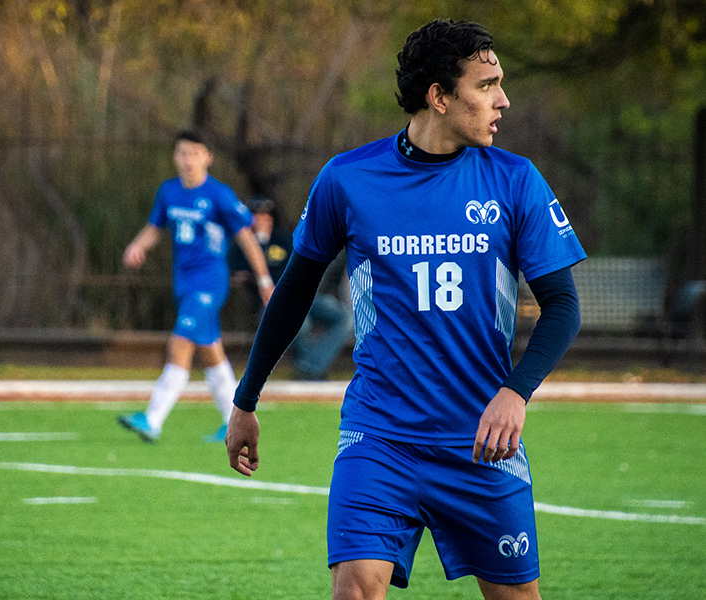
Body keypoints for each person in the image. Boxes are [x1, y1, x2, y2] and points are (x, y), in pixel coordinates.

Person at [225, 19, 586, 600]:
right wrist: (245, 400)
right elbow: (293, 293)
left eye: (501, 84)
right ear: (439, 98)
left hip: (481, 446)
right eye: (486, 85)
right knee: (355, 590)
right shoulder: (346, 179)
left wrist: (514, 393)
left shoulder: (516, 181)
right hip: (379, 437)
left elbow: (563, 307)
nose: (503, 100)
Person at [119, 129, 274, 443]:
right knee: (210, 351)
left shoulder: (219, 195)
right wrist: (138, 246)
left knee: (179, 344)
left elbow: (246, 238)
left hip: (209, 282)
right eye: (182, 153)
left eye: (194, 153)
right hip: (184, 282)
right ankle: (234, 420)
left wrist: (264, 280)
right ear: (175, 157)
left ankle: (152, 419)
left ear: (208, 157)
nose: (187, 160)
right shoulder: (168, 192)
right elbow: (155, 227)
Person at [228, 196, 353, 380]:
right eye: (258, 215)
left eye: (266, 215)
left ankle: (310, 366)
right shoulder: (243, 246)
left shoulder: (285, 240)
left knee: (345, 317)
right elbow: (236, 275)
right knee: (301, 324)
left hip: (299, 295)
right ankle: (310, 370)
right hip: (269, 303)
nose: (263, 219)